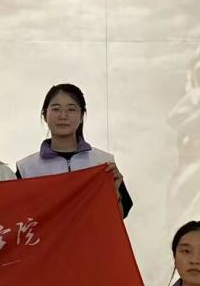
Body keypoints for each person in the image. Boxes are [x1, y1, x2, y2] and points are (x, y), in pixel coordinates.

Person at [16, 83, 132, 216]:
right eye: (56, 109)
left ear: (81, 116)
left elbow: (117, 217)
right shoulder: (26, 168)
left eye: (71, 109)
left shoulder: (103, 163)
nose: (63, 116)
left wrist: (115, 190)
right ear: (44, 115)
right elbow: (18, 219)